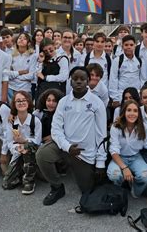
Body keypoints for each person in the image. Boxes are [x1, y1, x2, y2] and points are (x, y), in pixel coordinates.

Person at [36, 67, 107, 206]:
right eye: (75, 79)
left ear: (88, 81)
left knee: (87, 190)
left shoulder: (97, 102)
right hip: (64, 146)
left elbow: (102, 135)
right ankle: (56, 187)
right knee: (42, 154)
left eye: (82, 79)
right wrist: (67, 147)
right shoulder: (63, 102)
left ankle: (77, 170)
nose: (79, 82)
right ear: (70, 81)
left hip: (84, 153)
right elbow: (55, 129)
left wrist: (100, 163)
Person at [108, 100, 147, 198]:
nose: (132, 113)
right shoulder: (116, 126)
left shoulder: (143, 127)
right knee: (115, 175)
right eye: (129, 110)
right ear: (124, 112)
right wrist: (124, 168)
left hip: (135, 157)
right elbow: (113, 150)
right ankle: (118, 191)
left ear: (139, 114)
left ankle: (134, 190)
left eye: (135, 111)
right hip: (119, 157)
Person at [3, 91, 42, 194]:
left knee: (27, 147)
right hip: (18, 152)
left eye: (24, 100)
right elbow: (9, 142)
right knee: (7, 184)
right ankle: (22, 174)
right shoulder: (12, 122)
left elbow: (37, 141)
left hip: (33, 152)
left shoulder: (35, 121)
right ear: (14, 105)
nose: (21, 103)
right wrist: (17, 148)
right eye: (18, 101)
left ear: (28, 102)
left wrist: (24, 141)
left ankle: (29, 181)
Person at [109, 35, 142, 108]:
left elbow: (142, 78)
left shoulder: (139, 61)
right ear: (122, 46)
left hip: (136, 96)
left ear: (135, 46)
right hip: (122, 97)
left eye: (131, 45)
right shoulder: (117, 61)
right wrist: (115, 98)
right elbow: (113, 79)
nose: (129, 47)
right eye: (126, 45)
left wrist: (141, 94)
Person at [6, 32, 37, 101]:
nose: (21, 40)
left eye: (24, 39)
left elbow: (31, 75)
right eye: (20, 38)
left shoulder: (33, 56)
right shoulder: (10, 55)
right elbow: (7, 73)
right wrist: (20, 72)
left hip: (25, 88)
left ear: (28, 43)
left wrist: (15, 76)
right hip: (11, 88)